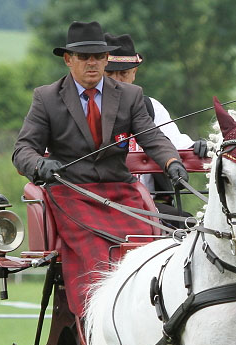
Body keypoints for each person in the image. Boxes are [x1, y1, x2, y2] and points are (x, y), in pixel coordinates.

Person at [12, 21, 188, 317]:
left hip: (121, 192)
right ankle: (96, 324)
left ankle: (148, 319)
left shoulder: (130, 97)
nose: (91, 63)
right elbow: (22, 150)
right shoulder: (46, 98)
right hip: (72, 194)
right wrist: (40, 165)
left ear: (106, 59)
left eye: (97, 56)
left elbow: (153, 137)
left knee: (144, 249)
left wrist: (172, 163)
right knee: (96, 254)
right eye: (83, 57)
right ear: (69, 60)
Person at [103, 33, 209, 206]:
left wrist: (198, 147)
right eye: (109, 74)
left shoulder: (150, 108)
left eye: (123, 73)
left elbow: (175, 143)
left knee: (187, 227)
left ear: (134, 73)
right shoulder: (84, 106)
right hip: (98, 202)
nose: (117, 81)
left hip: (149, 206)